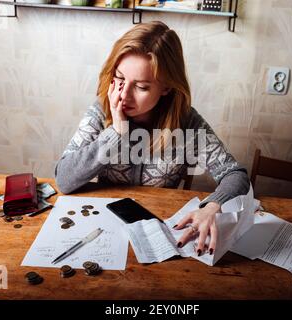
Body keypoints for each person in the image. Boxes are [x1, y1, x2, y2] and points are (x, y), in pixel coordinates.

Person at [55, 21, 250, 256]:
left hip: (159, 235)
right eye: (119, 78)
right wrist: (115, 134)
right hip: (101, 232)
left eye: (141, 86)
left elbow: (235, 175)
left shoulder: (186, 122)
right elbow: (64, 179)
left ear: (166, 87)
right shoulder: (103, 109)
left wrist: (212, 206)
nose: (124, 95)